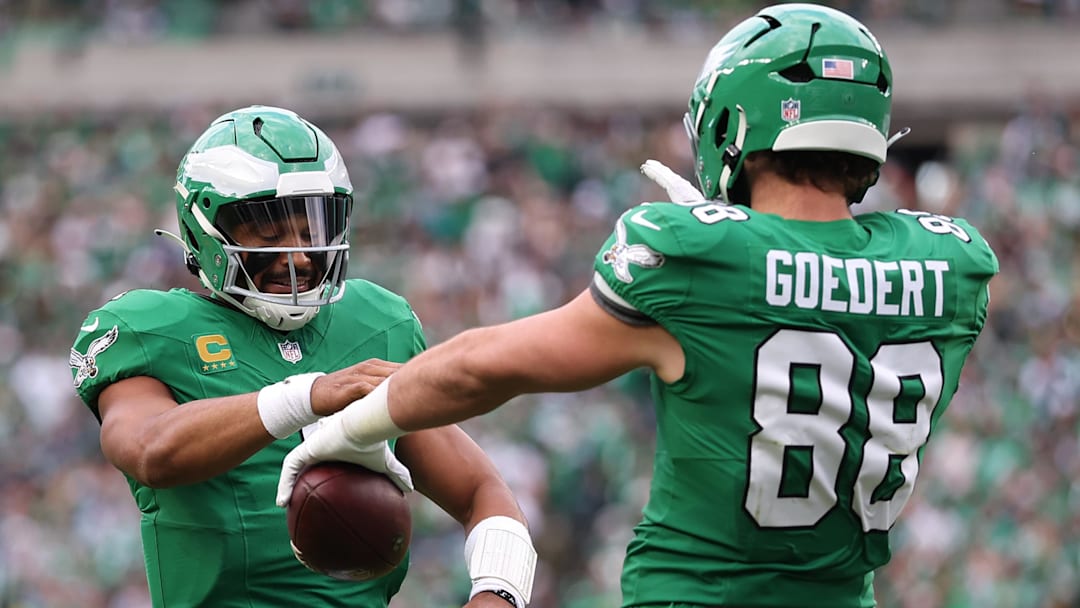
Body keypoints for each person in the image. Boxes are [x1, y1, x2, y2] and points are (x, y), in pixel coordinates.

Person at [277, 5, 999, 608]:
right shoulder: (952, 264)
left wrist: (355, 424)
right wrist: (751, 248)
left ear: (731, 126)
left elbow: (480, 369)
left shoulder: (699, 260)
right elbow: (828, 290)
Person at [69, 105, 536, 608]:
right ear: (204, 229)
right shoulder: (152, 328)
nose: (299, 257)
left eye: (311, 230)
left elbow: (482, 491)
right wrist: (306, 396)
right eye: (269, 236)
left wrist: (497, 594)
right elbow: (148, 450)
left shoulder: (378, 322)